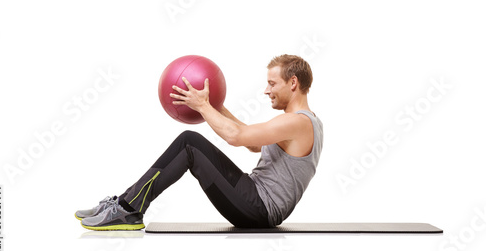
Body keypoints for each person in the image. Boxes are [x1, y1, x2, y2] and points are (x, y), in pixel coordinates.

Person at [75, 54, 323, 230]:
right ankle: (122, 203)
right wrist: (216, 106)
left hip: (259, 208)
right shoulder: (300, 123)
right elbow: (251, 141)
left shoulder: (298, 123)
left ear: (293, 83)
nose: (266, 91)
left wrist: (203, 107)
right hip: (254, 201)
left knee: (189, 143)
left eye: (272, 83)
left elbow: (236, 137)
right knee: (190, 143)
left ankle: (128, 209)